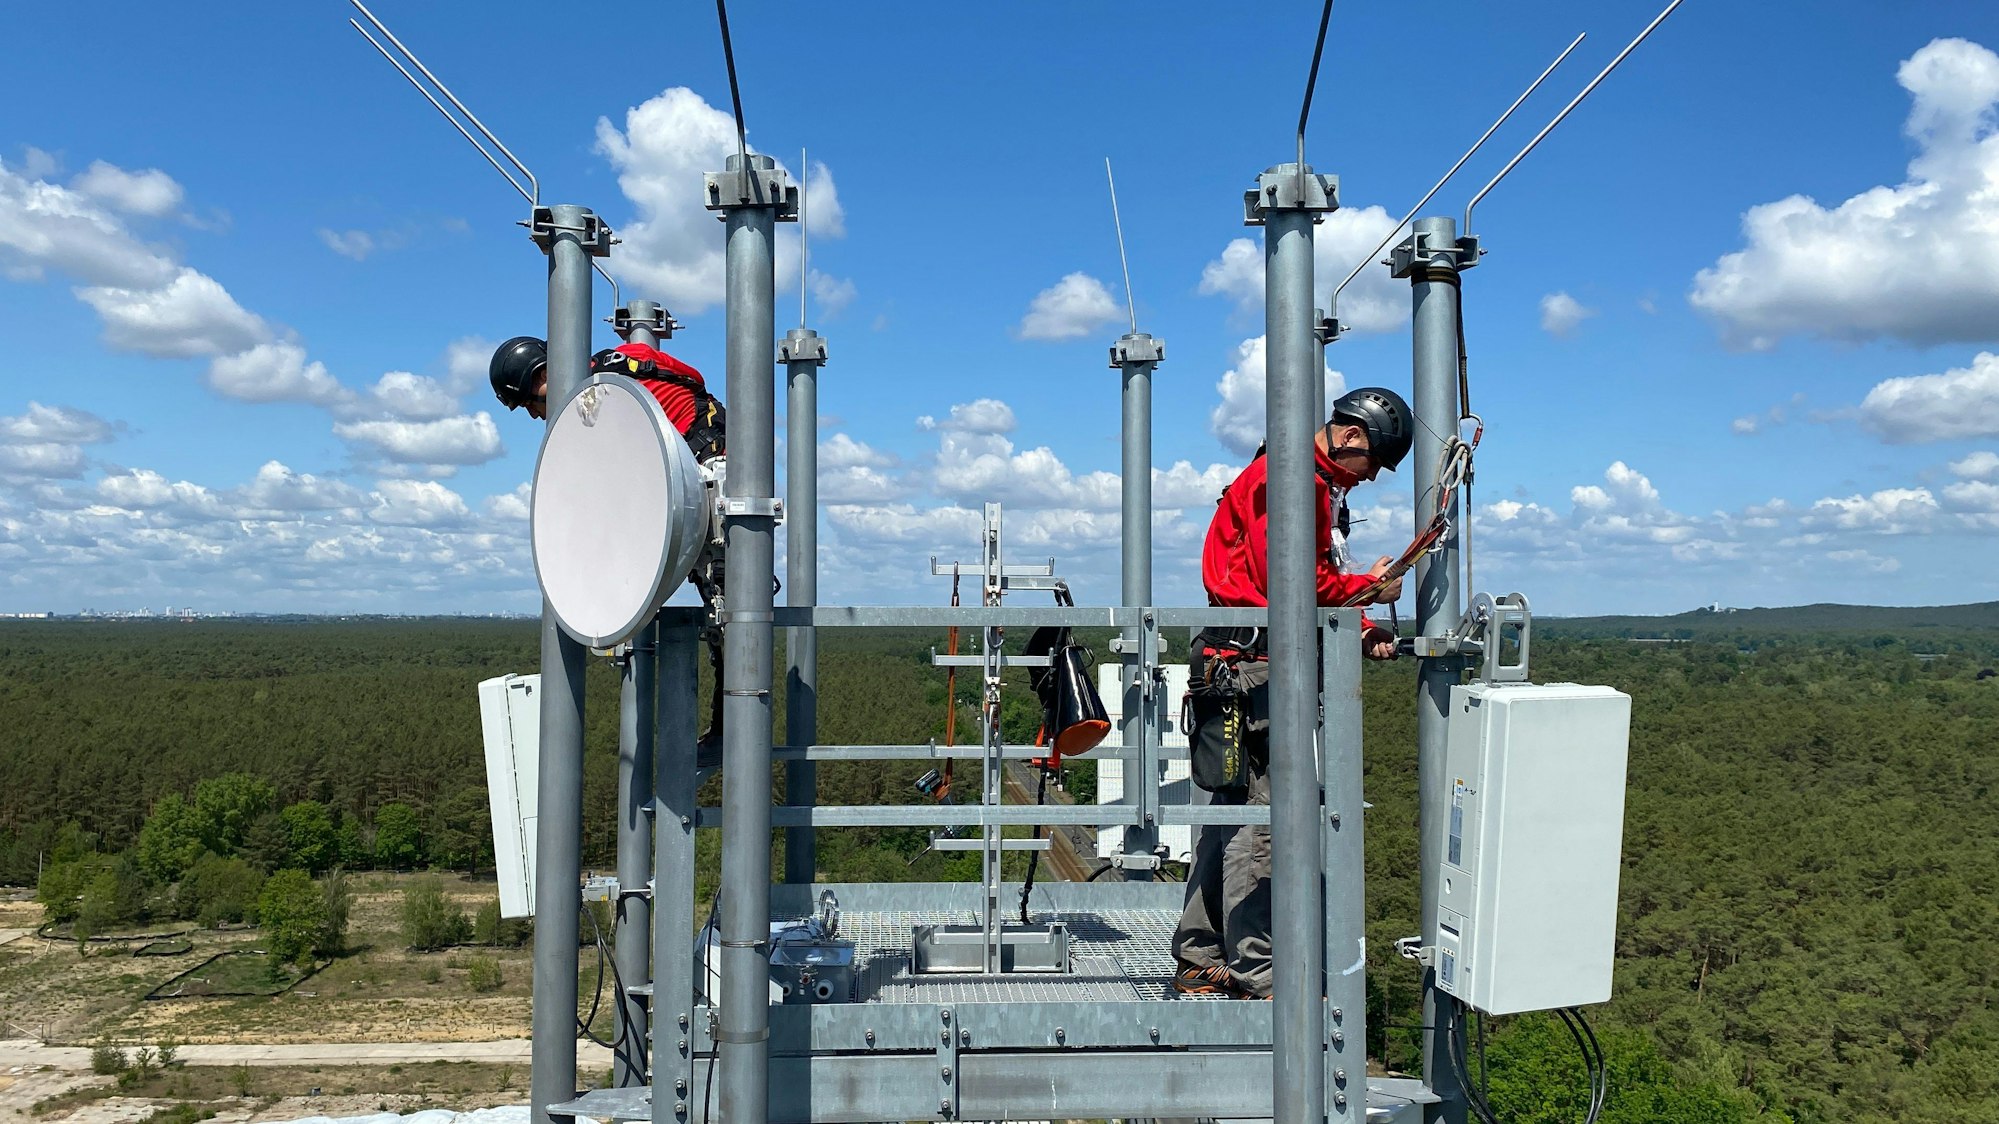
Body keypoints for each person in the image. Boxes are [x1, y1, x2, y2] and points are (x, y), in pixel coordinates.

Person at [1171, 386, 1412, 1000]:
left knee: (1229, 817)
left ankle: (1202, 955)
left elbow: (1287, 585)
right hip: (1257, 669)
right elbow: (1295, 586)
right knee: (1263, 822)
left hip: (1233, 661)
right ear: (1352, 436)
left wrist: (1356, 628)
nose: (1369, 478)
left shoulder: (1282, 476)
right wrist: (1371, 589)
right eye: (1375, 464)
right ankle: (1260, 973)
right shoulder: (1293, 483)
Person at [490, 336, 730, 764]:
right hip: (684, 462)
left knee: (728, 606)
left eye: (529, 400)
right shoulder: (604, 383)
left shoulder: (608, 385)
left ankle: (734, 722)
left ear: (544, 375)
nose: (532, 412)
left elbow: (688, 383)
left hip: (707, 456)